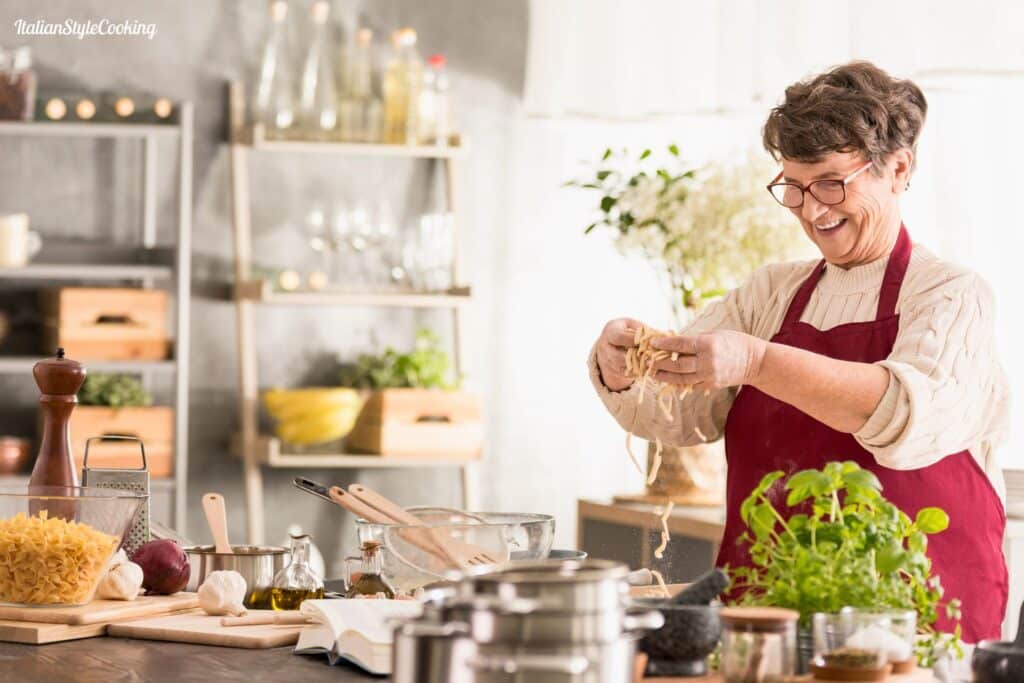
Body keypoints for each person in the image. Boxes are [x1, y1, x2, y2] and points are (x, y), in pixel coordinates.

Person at [589, 61, 1009, 642]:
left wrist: (758, 362)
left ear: (898, 168)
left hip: (910, 625)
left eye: (833, 183)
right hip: (768, 616)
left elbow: (905, 417)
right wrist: (623, 369)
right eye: (794, 187)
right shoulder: (769, 292)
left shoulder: (949, 295)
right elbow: (680, 414)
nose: (813, 211)